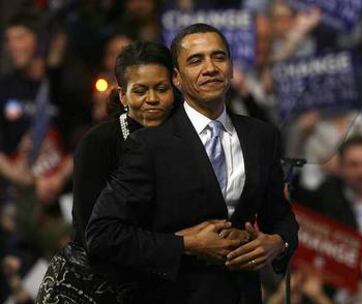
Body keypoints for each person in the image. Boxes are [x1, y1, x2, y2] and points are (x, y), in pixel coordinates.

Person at [86, 23, 299, 303]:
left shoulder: (261, 136)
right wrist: (185, 244)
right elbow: (103, 234)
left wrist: (278, 243)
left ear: (232, 68)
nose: (210, 68)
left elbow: (280, 215)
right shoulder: (150, 145)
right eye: (196, 60)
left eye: (219, 57)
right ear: (176, 77)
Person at [35, 41, 176, 303]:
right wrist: (182, 244)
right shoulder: (98, 142)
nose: (152, 99)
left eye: (161, 89)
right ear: (123, 96)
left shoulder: (184, 137)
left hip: (156, 285)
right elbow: (94, 237)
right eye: (140, 90)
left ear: (174, 89)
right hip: (87, 288)